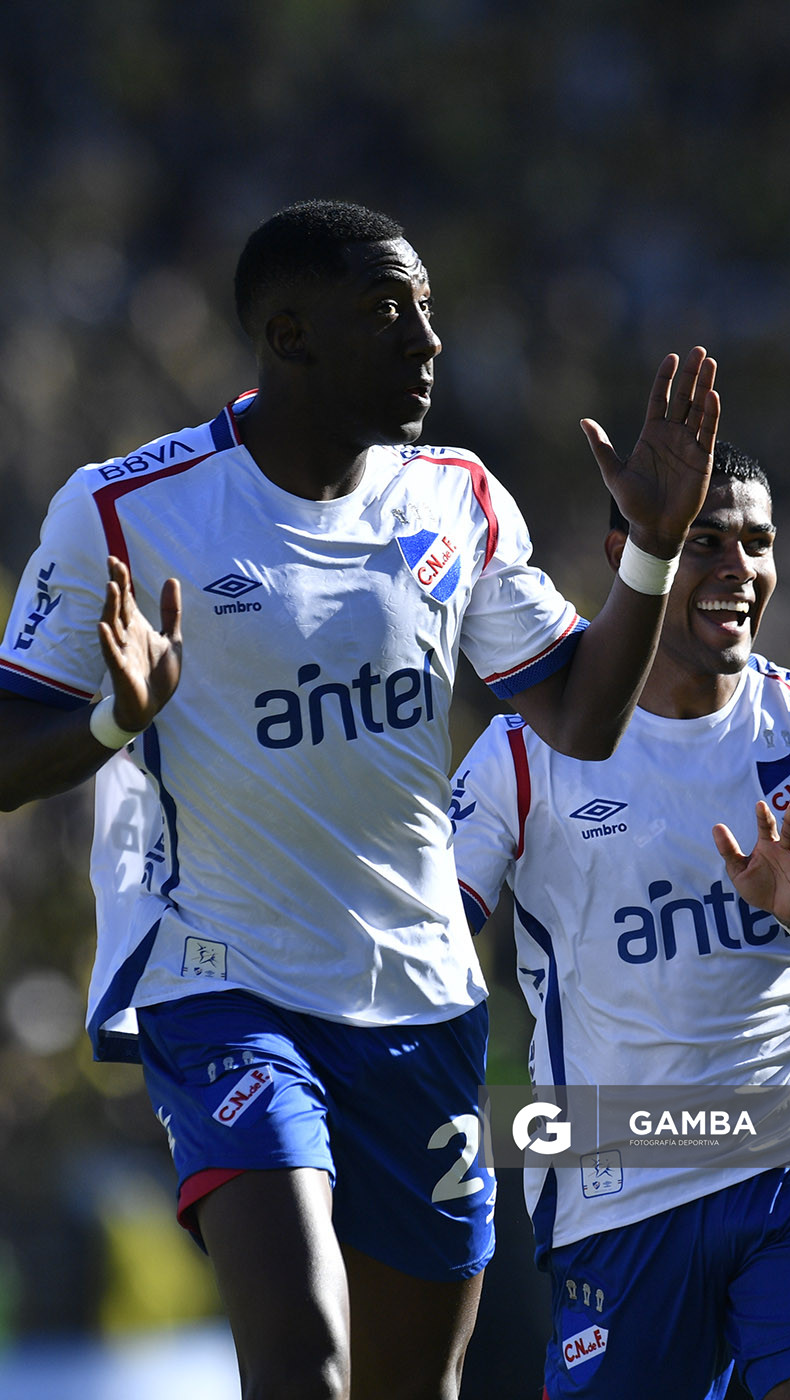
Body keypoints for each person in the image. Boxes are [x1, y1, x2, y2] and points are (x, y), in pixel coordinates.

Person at [0, 198, 720, 1400]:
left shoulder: (458, 496)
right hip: (228, 987)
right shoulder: (127, 509)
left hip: (423, 998)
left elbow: (582, 716)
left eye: (429, 311)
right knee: (304, 1362)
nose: (428, 342)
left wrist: (650, 550)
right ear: (287, 336)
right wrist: (117, 718)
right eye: (389, 314)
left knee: (410, 1384)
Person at [450, 440, 790, 1400]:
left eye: (757, 544)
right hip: (620, 1187)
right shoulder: (520, 754)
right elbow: (429, 945)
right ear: (637, 554)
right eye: (706, 543)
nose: (738, 571)